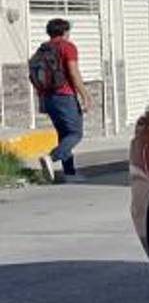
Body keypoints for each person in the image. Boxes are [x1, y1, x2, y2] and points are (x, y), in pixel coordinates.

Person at [30, 18, 93, 183]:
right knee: (75, 133)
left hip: (48, 97)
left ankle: (69, 174)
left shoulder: (42, 49)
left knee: (64, 134)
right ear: (65, 32)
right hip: (64, 96)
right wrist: (85, 95)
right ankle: (51, 158)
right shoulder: (67, 47)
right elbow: (73, 73)